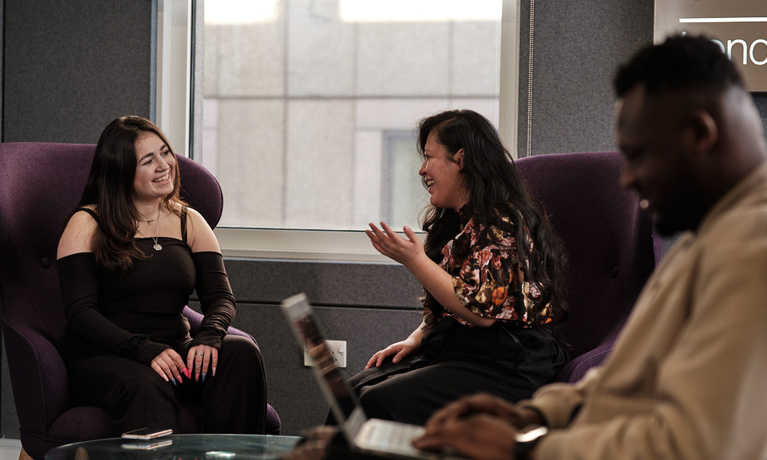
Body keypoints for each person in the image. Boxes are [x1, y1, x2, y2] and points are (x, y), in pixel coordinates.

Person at [410, 35, 767, 460]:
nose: (627, 180)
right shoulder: (705, 240)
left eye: (638, 156)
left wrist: (527, 448)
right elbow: (622, 378)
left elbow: (694, 446)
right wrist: (530, 418)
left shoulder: (751, 254)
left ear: (699, 134)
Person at [344, 109, 569, 426]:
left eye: (429, 157)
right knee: (351, 393)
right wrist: (417, 338)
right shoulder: (459, 223)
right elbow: (449, 310)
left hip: (508, 364)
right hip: (464, 352)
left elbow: (480, 313)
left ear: (460, 159)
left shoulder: (503, 222)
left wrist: (416, 260)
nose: (422, 170)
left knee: (379, 401)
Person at [56, 116, 268, 434]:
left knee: (241, 353)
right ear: (121, 170)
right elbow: (80, 313)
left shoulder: (189, 221)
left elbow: (221, 297)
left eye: (165, 152)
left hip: (174, 350)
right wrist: (142, 349)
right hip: (106, 354)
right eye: (148, 160)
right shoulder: (87, 223)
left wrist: (209, 336)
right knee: (147, 382)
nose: (164, 165)